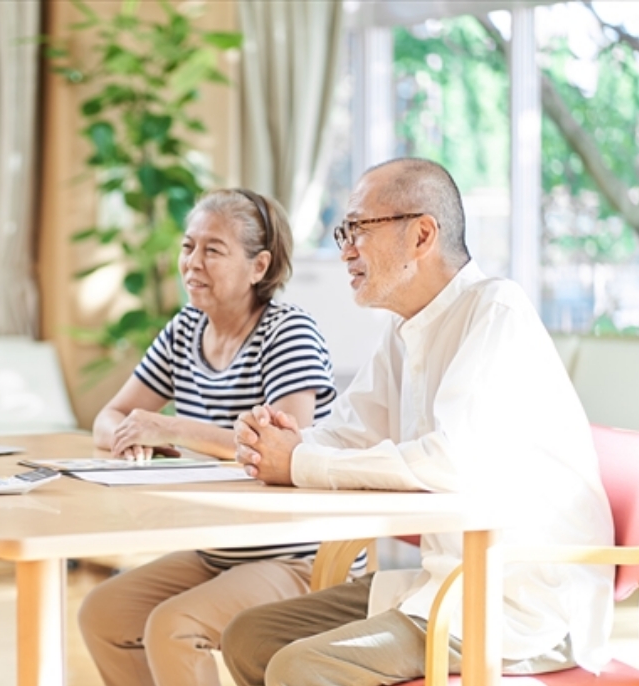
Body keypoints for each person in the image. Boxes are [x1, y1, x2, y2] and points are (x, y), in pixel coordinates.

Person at [223, 158, 614, 686]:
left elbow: (452, 461)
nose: (345, 248)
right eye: (345, 231)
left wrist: (300, 461)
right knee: (249, 637)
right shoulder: (404, 331)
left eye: (358, 228)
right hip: (444, 583)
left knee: (300, 667)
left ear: (422, 234)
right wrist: (284, 441)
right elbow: (350, 433)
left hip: (518, 601)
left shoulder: (498, 310)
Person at [80, 188, 349, 686]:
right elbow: (110, 416)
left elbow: (289, 448)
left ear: (258, 266)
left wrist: (170, 427)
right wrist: (137, 434)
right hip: (221, 549)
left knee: (173, 628)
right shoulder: (186, 328)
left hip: (298, 555)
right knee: (103, 613)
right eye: (188, 246)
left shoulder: (287, 331)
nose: (192, 263)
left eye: (213, 250)